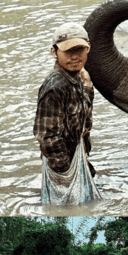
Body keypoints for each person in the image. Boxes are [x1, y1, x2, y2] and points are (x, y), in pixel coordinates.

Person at [34, 22, 95, 179]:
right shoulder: (55, 87)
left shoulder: (79, 79)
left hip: (77, 157)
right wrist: (67, 172)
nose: (74, 57)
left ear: (88, 47)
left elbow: (84, 118)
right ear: (54, 52)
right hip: (63, 167)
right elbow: (47, 137)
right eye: (68, 51)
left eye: (79, 50)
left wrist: (88, 87)